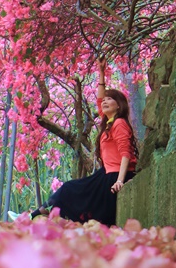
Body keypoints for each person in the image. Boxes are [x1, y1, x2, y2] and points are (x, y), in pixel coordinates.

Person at [31, 60, 138, 226]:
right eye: (105, 99)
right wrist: (101, 73)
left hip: (114, 176)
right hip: (106, 174)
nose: (104, 101)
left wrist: (120, 181)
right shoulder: (110, 121)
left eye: (110, 99)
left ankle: (36, 215)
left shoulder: (119, 124)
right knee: (70, 189)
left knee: (70, 190)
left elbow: (126, 154)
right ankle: (38, 214)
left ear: (119, 105)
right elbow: (99, 99)